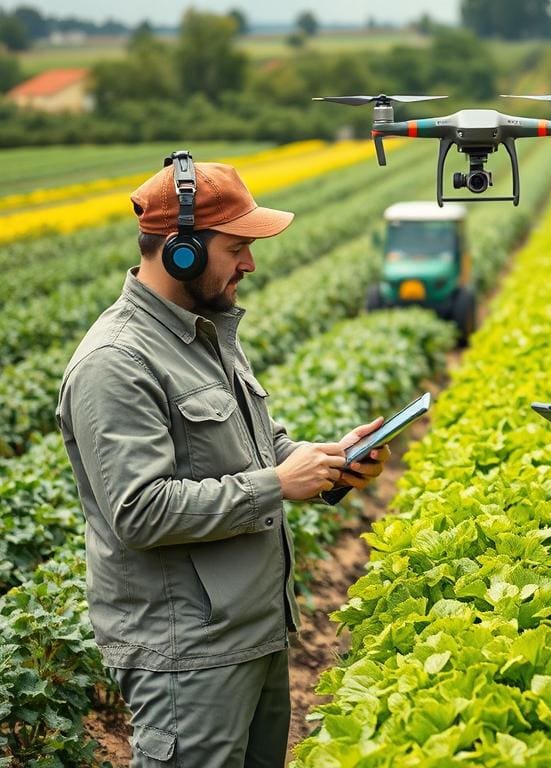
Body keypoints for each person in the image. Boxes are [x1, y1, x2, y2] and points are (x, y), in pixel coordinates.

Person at [57, 152, 391, 767]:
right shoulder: (117, 362)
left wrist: (325, 461)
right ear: (181, 249)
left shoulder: (204, 330)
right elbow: (140, 511)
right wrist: (276, 485)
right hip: (189, 651)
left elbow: (255, 448)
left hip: (252, 632)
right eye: (237, 246)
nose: (250, 263)